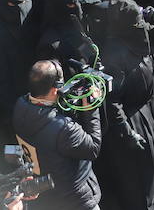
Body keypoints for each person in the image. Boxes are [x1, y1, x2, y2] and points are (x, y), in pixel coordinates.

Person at [12, 60, 102, 210]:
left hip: (48, 193)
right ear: (55, 90)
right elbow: (93, 148)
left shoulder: (19, 106)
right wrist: (91, 107)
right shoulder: (64, 128)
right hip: (76, 198)